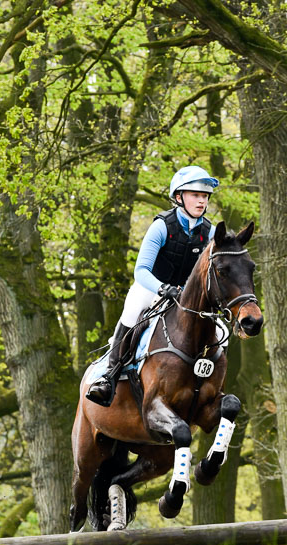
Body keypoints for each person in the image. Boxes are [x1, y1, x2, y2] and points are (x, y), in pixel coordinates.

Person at [86, 165, 219, 406]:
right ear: (179, 197)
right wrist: (162, 288)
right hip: (152, 288)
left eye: (205, 196)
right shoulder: (161, 226)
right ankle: (109, 376)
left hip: (187, 296)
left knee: (217, 326)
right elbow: (141, 271)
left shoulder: (210, 232)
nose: (202, 202)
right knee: (132, 310)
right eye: (196, 195)